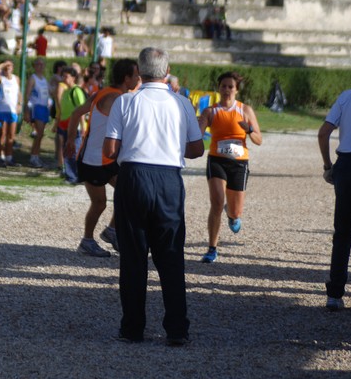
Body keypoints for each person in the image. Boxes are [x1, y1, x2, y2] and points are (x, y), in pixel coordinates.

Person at [103, 47, 204, 345]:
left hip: (133, 176)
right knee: (171, 255)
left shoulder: (126, 101)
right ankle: (177, 329)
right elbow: (197, 149)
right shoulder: (182, 102)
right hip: (168, 179)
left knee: (133, 257)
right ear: (167, 69)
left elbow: (110, 150)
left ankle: (132, 328)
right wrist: (170, 147)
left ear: (139, 69)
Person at [66, 58, 140, 256]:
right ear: (127, 78)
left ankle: (112, 230)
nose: (139, 78)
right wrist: (70, 142)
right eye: (136, 75)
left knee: (128, 192)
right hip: (93, 160)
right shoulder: (117, 99)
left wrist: (70, 141)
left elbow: (76, 114)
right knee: (99, 203)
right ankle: (87, 241)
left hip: (107, 159)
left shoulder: (105, 93)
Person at [198, 71, 262, 263]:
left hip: (239, 163)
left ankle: (232, 214)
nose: (226, 90)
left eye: (230, 86)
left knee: (235, 211)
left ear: (236, 89)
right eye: (223, 86)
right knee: (216, 202)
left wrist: (249, 130)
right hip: (217, 160)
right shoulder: (210, 111)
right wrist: (198, 125)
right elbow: (198, 132)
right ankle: (212, 248)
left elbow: (258, 140)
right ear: (219, 88)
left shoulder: (245, 110)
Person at [318, 87, 351, 312]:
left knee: (343, 232)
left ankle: (334, 293)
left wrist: (328, 166)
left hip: (347, 165)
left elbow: (324, 132)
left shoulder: (346, 96)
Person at [56, 66, 86, 184]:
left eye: (67, 76)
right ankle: (71, 176)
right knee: (68, 151)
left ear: (73, 78)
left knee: (74, 151)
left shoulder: (76, 91)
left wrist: (83, 126)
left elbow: (82, 109)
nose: (64, 78)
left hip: (75, 127)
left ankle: (76, 176)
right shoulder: (66, 91)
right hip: (65, 126)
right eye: (63, 76)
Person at [24, 58, 51, 168]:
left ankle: (36, 156)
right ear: (34, 66)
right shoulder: (33, 78)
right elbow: (27, 94)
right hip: (36, 107)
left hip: (44, 107)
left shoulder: (44, 79)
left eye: (42, 64)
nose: (40, 66)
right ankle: (33, 157)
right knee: (38, 133)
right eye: (38, 64)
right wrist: (26, 111)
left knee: (41, 134)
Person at [0, 59, 21, 167]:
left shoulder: (16, 78)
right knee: (2, 135)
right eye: (6, 66)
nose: (8, 67)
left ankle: (9, 157)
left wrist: (19, 103)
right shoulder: (0, 78)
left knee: (11, 135)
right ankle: (1, 157)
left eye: (10, 66)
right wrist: (3, 64)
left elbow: (19, 92)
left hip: (12, 111)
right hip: (2, 110)